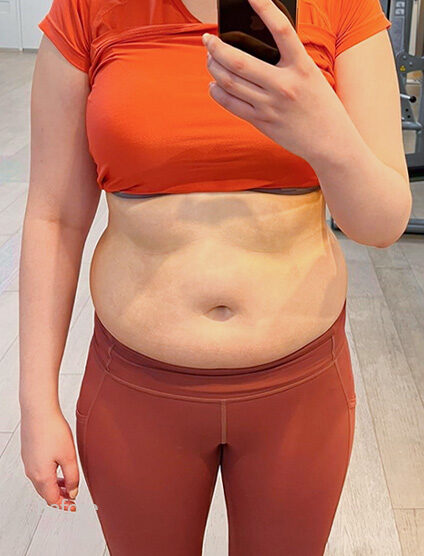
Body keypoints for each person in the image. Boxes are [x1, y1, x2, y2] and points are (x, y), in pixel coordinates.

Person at [19, 0, 411, 554]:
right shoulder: (87, 9)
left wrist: (323, 133)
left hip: (300, 394)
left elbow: (382, 224)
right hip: (137, 395)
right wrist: (36, 405)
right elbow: (54, 218)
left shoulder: (342, 6)